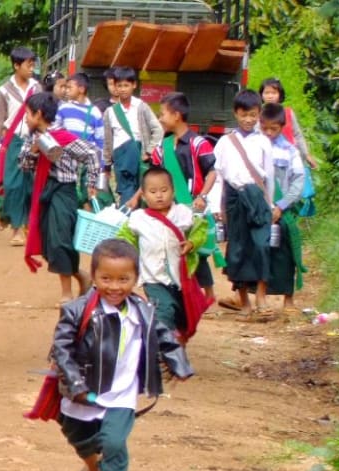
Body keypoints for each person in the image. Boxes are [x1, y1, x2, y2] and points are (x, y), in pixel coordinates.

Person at [50, 239, 193, 471]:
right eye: (106, 278)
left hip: (122, 394)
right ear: (94, 276)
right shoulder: (77, 311)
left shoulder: (144, 311)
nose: (115, 286)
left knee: (115, 443)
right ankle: (91, 465)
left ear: (136, 278)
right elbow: (61, 349)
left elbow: (166, 337)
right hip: (81, 395)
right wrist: (75, 383)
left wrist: (179, 365)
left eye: (124, 279)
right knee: (81, 441)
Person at [21, 91, 103, 304]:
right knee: (48, 244)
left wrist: (91, 184)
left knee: (61, 240)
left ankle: (66, 293)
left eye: (28, 114)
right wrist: (34, 150)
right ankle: (81, 276)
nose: (26, 118)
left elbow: (92, 154)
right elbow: (24, 165)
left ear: (38, 114)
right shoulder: (32, 137)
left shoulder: (63, 137)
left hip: (63, 191)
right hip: (44, 190)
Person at [205, 90, 278, 321]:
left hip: (257, 199)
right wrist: (216, 206)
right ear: (236, 113)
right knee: (238, 249)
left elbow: (270, 176)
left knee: (261, 246)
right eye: (244, 114)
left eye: (253, 115)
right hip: (235, 199)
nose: (249, 119)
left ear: (259, 115)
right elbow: (217, 176)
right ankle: (245, 302)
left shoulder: (263, 142)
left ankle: (262, 298)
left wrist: (271, 204)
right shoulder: (225, 143)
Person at [117, 166, 211, 342]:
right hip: (153, 277)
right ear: (144, 196)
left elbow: (201, 230)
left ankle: (176, 346)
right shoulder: (138, 218)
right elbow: (124, 238)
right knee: (164, 311)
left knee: (182, 316)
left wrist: (192, 243)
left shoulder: (183, 213)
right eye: (153, 191)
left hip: (181, 278)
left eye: (164, 190)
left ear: (173, 191)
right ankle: (162, 349)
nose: (159, 195)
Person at [144, 93, 220, 305]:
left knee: (195, 249)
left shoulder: (199, 143)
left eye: (163, 114)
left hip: (193, 204)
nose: (160, 119)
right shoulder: (163, 146)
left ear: (176, 115)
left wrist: (203, 196)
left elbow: (211, 172)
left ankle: (208, 294)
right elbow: (154, 174)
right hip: (170, 206)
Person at [0, 47, 42, 244]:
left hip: (34, 141)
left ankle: (26, 225)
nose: (31, 68)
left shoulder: (36, 87)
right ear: (16, 66)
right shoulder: (4, 90)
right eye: (28, 64)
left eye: (33, 64)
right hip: (13, 141)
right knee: (12, 185)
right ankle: (16, 228)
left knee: (30, 185)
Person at [260, 101, 308, 315]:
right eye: (265, 128)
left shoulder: (290, 151)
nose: (269, 133)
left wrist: (281, 205)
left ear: (282, 126)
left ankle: (288, 299)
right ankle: (251, 296)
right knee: (258, 253)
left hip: (283, 209)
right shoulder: (253, 146)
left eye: (274, 129)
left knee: (286, 255)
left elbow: (298, 181)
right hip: (259, 208)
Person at [102, 67, 161, 213]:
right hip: (120, 158)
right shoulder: (110, 112)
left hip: (138, 156)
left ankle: (127, 223)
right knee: (125, 191)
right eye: (119, 85)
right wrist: (107, 164)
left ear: (134, 85)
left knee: (139, 192)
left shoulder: (141, 107)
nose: (123, 89)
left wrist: (149, 151)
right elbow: (107, 140)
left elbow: (158, 129)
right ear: (115, 86)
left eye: (126, 85)